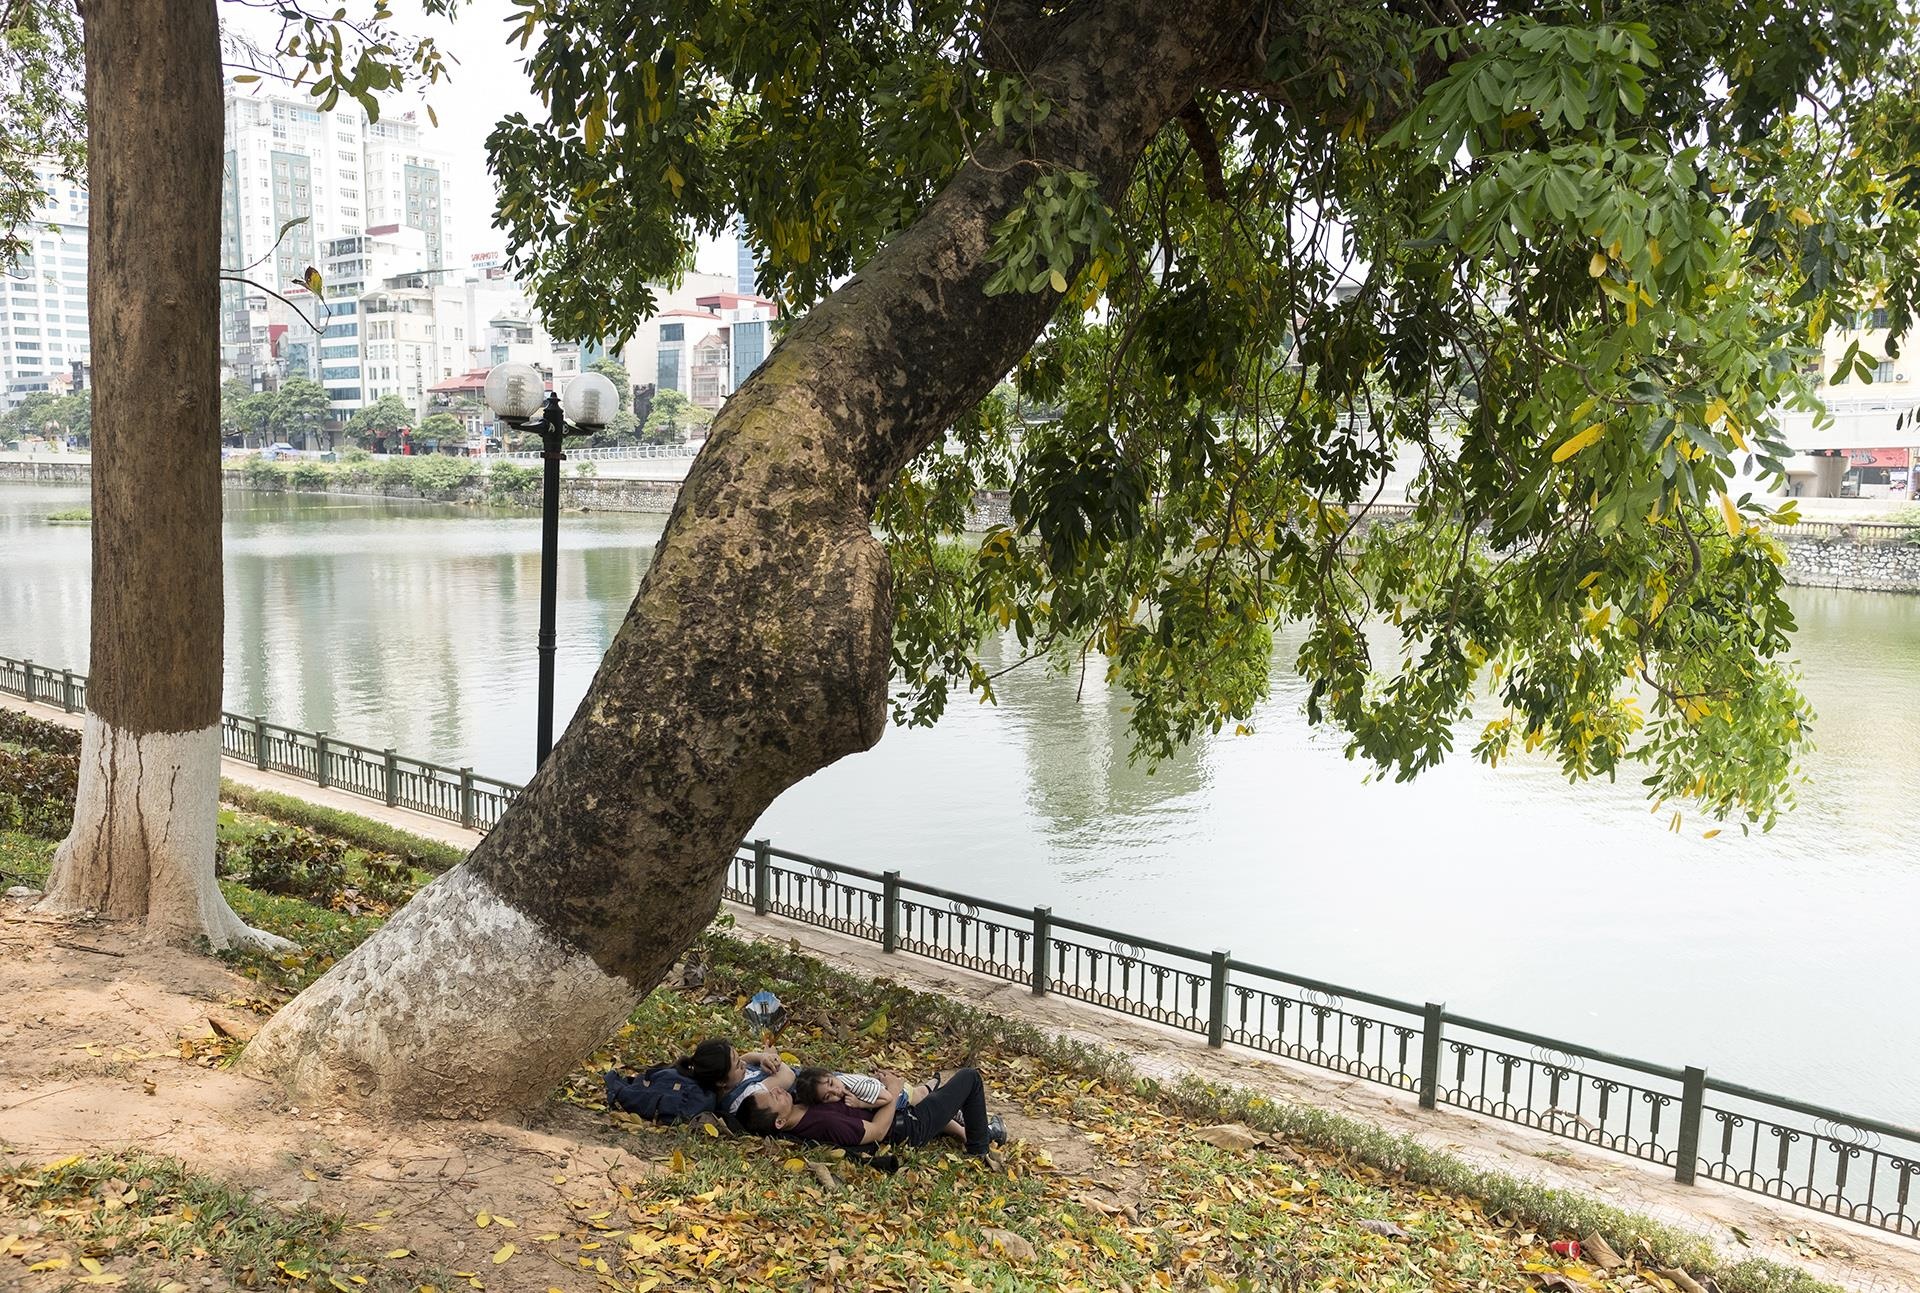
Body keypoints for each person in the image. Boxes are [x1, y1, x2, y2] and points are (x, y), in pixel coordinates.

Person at [740, 1066, 1007, 1159]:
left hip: (896, 1111)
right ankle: (979, 1148)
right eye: (772, 1098)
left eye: (770, 1090)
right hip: (908, 1127)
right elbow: (878, 1132)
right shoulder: (824, 1122)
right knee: (969, 1078)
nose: (776, 1091)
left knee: (937, 1097)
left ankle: (979, 1132)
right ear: (779, 1122)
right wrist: (891, 1092)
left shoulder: (798, 1102)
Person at [678, 1038, 795, 1119]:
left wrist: (763, 1057)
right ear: (721, 1082)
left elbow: (746, 1058)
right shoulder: (745, 1097)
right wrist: (775, 1059)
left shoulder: (732, 1078)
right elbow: (787, 1077)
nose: (743, 1063)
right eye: (738, 1065)